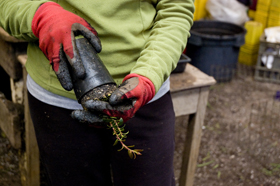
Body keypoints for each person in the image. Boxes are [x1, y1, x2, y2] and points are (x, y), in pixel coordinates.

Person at [0, 1, 194, 185]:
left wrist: (149, 74)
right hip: (58, 100)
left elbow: (176, 9)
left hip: (143, 92)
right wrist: (39, 15)